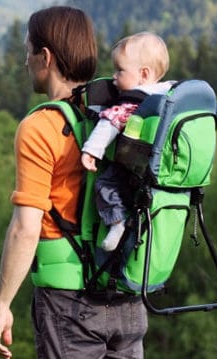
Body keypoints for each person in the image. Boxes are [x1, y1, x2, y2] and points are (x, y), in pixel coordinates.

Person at [0, 6, 147, 359]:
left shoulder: (40, 127)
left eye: (28, 52)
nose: (25, 62)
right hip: (128, 298)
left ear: (45, 57)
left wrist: (2, 304)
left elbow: (25, 229)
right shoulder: (122, 113)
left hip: (69, 306)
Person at [81, 31, 174, 252]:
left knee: (105, 185)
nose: (114, 77)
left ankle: (117, 223)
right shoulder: (170, 93)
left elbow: (108, 124)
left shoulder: (132, 101)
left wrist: (91, 151)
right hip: (161, 169)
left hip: (132, 165)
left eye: (120, 70)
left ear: (143, 74)